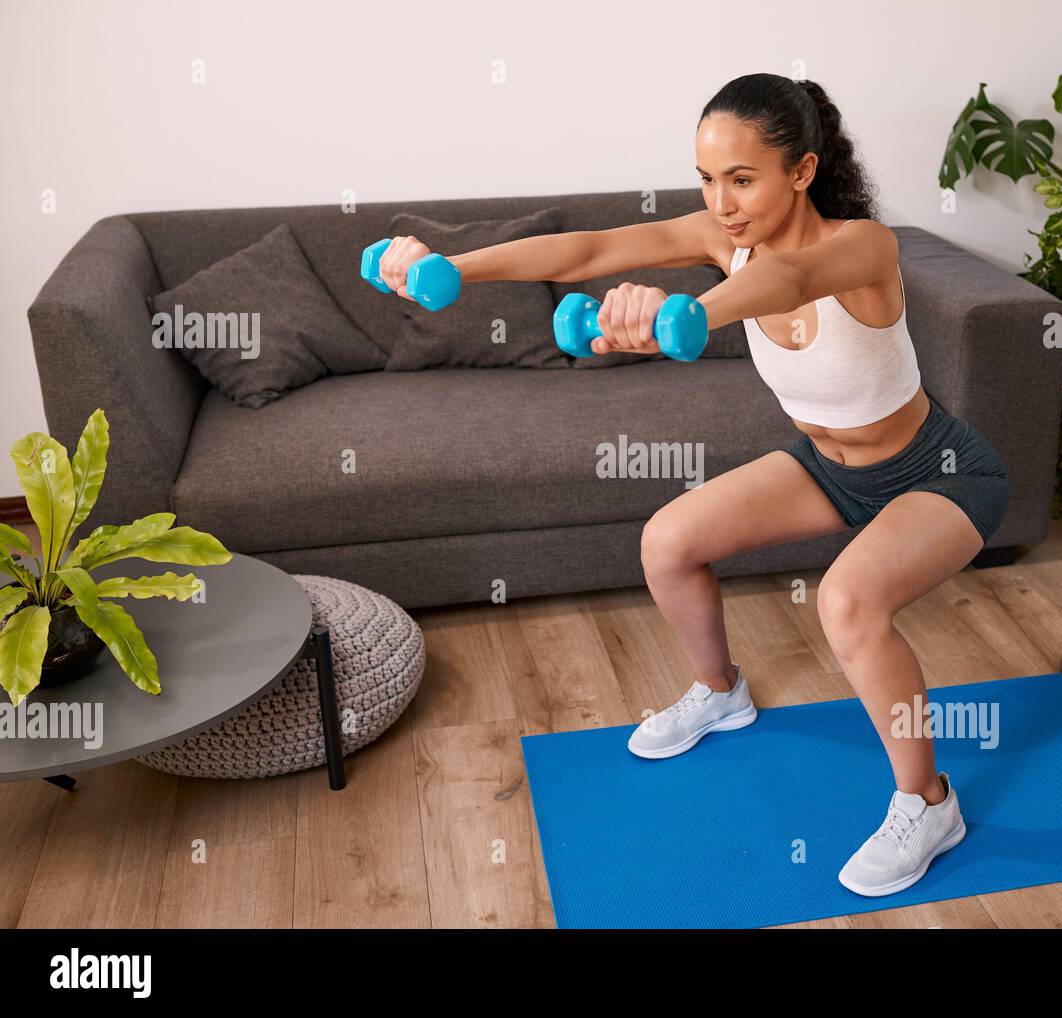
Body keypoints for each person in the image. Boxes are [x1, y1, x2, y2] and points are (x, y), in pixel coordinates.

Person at [376, 72, 1009, 898]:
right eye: (707, 180)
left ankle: (929, 802)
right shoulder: (722, 236)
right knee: (668, 540)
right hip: (827, 468)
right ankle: (721, 692)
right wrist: (451, 265)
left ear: (803, 172)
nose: (723, 201)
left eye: (742, 179)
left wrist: (685, 317)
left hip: (939, 474)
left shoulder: (863, 248)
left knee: (848, 604)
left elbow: (785, 283)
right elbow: (588, 250)